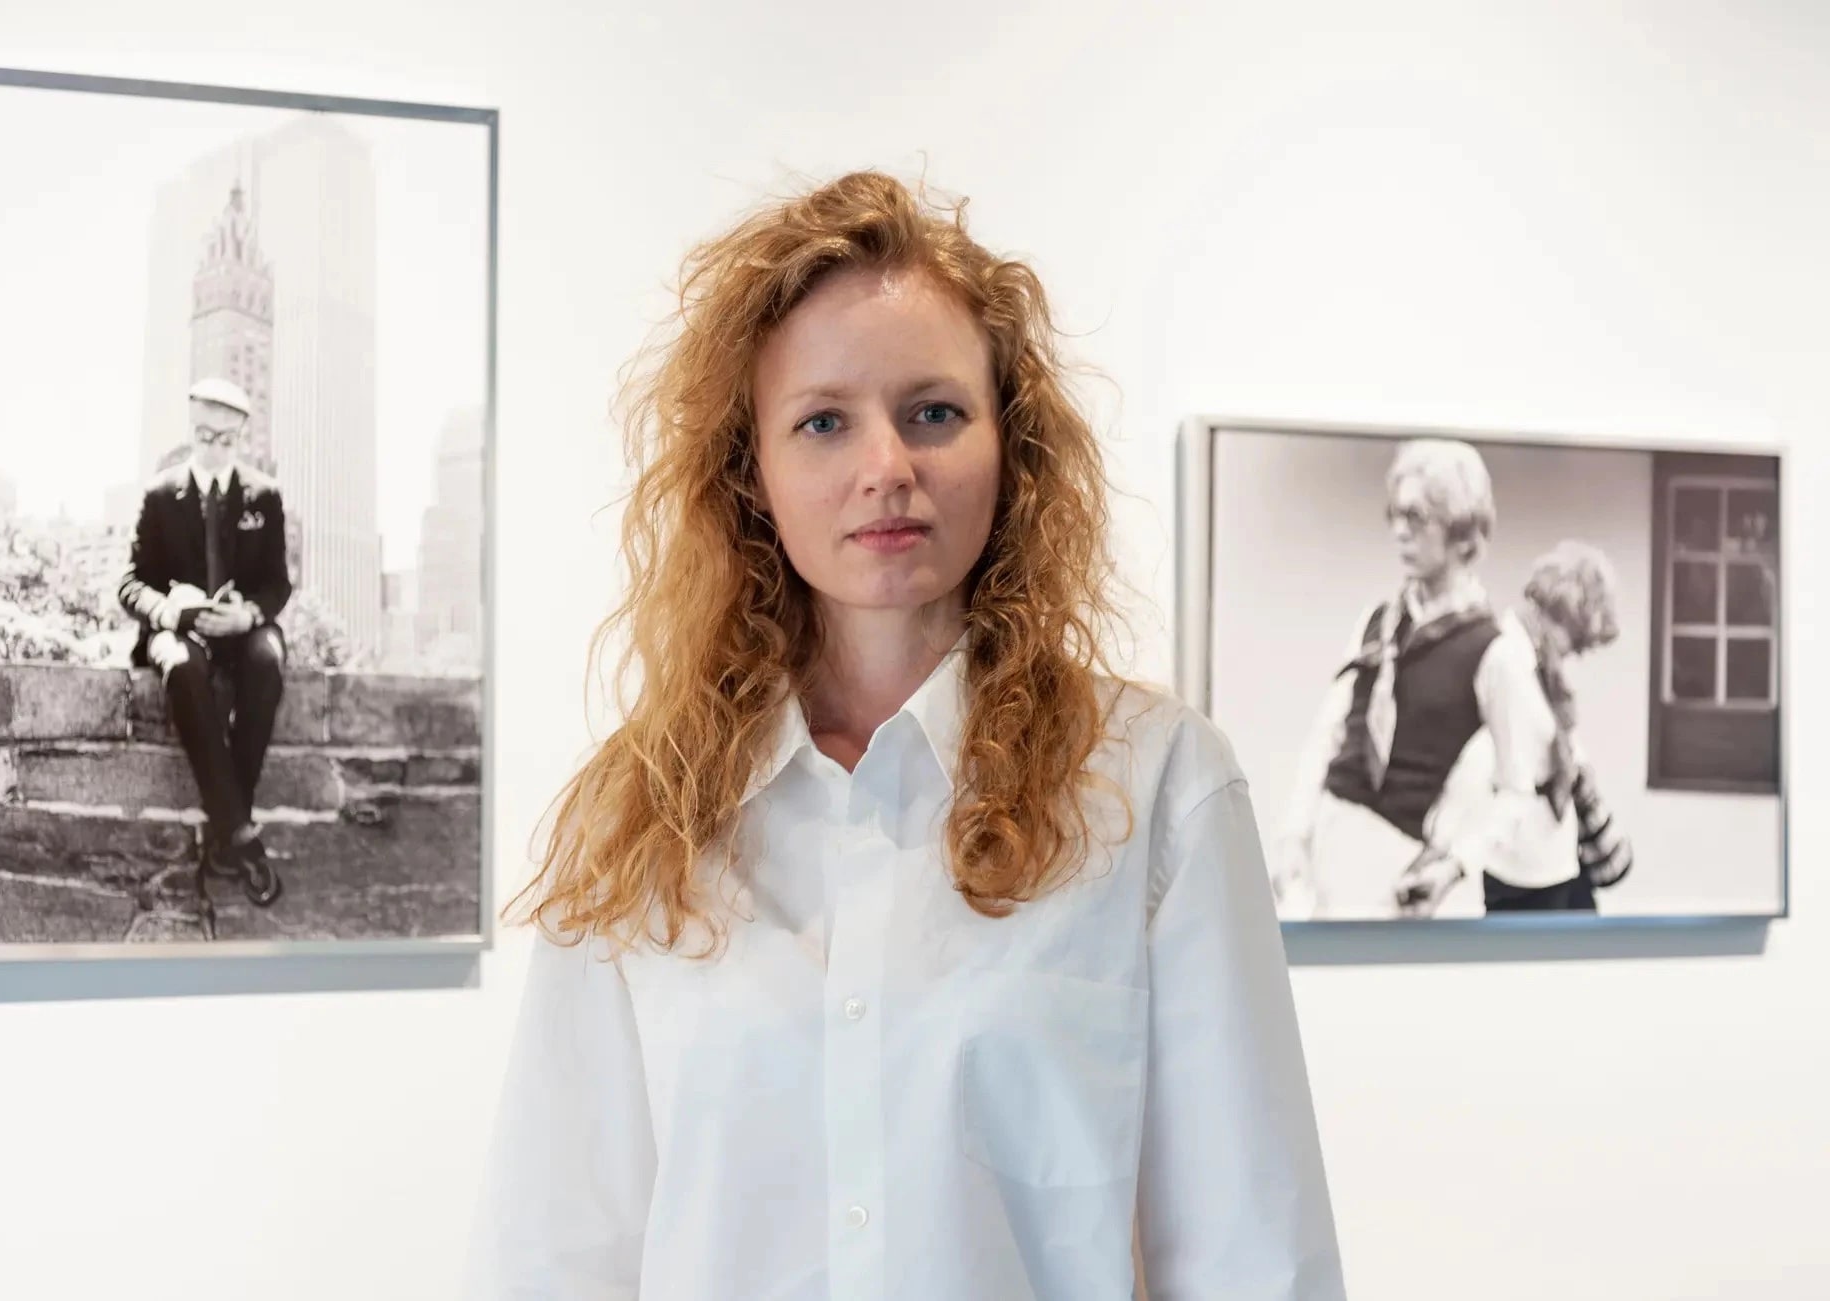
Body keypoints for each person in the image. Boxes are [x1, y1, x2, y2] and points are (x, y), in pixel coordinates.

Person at [461, 172, 1345, 1300]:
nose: (886, 466)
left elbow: (1249, 1261)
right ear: (751, 473)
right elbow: (552, 1253)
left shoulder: (1157, 786)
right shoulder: (638, 816)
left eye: (932, 411)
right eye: (822, 420)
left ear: (1008, 446)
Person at [1271, 438, 1578, 920]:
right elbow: (1327, 734)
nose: (1399, 532)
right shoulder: (1377, 623)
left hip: (1396, 868)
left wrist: (1455, 865)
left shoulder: (1494, 649)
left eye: (1416, 518)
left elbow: (1517, 791)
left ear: (1461, 532)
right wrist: (1294, 834)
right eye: (1394, 515)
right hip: (1327, 849)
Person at [118, 377, 292, 917]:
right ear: (191, 431)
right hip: (177, 628)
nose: (213, 446)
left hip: (240, 627)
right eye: (203, 434)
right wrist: (167, 610)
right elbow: (130, 583)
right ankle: (237, 830)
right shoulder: (158, 494)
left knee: (268, 658)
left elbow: (277, 585)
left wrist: (249, 614)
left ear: (241, 437)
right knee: (182, 667)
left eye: (225, 437)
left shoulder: (264, 496)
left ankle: (224, 822)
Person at [1486, 539, 1632, 911]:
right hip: (1520, 870)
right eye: (1576, 642)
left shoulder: (1543, 666)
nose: (1575, 655)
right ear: (1563, 611)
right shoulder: (1508, 657)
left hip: (1554, 860)